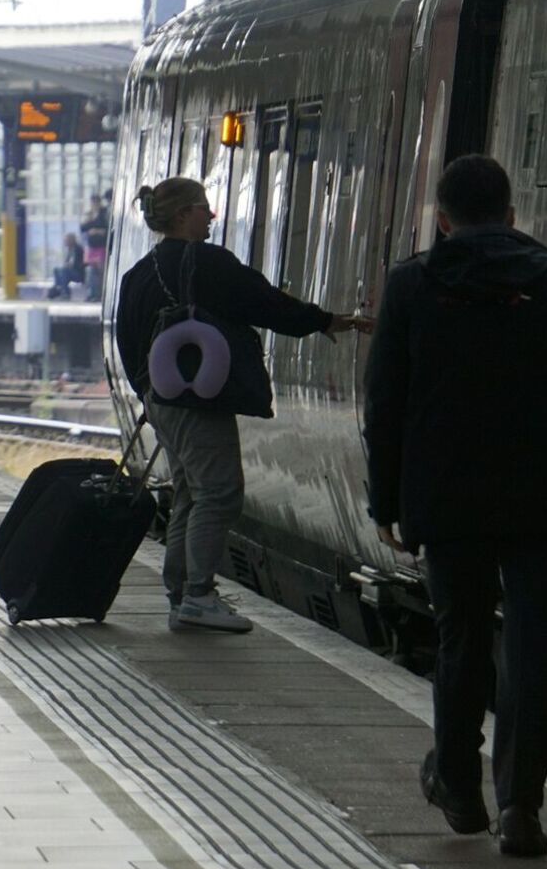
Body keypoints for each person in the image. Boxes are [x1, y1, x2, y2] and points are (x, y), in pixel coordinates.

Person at [363, 154, 547, 858]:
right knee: (531, 647)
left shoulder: (410, 286)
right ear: (513, 214)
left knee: (460, 639)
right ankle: (520, 806)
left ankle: (458, 786)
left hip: (448, 501)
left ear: (444, 219)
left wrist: (385, 500)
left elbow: (385, 402)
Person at [115, 177, 369, 634]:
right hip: (197, 402)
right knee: (219, 492)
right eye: (204, 208)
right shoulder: (209, 264)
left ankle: (182, 593)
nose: (211, 216)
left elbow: (126, 338)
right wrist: (325, 320)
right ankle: (197, 595)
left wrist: (148, 395)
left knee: (193, 492)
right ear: (181, 216)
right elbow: (264, 302)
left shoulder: (139, 273)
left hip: (163, 401)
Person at [79, 196, 111, 302]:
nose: (94, 205)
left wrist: (96, 230)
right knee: (90, 271)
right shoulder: (89, 214)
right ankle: (91, 293)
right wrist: (89, 221)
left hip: (101, 246)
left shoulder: (104, 213)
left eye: (96, 202)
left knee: (100, 270)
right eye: (92, 203)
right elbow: (83, 228)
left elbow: (107, 228)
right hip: (91, 246)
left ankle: (98, 294)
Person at [49, 232, 85, 299]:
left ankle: (66, 293)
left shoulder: (78, 249)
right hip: (71, 271)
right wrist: (66, 265)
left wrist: (67, 266)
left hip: (79, 273)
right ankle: (58, 288)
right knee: (56, 270)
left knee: (64, 271)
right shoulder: (70, 250)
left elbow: (77, 264)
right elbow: (67, 262)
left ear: (71, 240)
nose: (64, 242)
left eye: (66, 240)